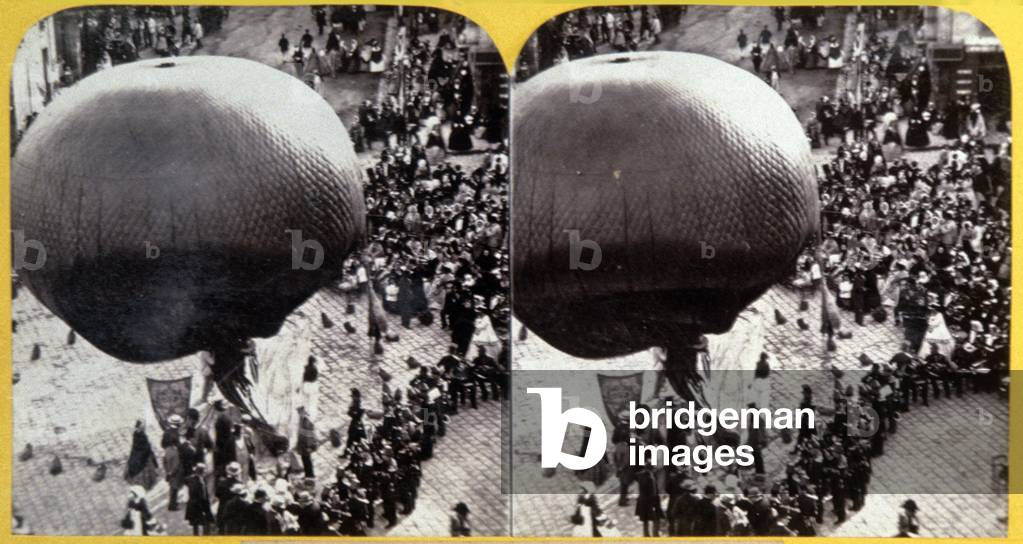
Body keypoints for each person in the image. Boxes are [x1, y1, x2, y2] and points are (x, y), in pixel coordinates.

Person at [124, 420, 159, 491]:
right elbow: (146, 448)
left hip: (136, 453)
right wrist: (148, 447)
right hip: (143, 456)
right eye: (143, 426)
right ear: (140, 427)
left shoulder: (135, 433)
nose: (144, 428)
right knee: (145, 467)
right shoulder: (142, 436)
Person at [185, 463, 214, 535]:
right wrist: (205, 510)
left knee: (195, 524)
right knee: (206, 523)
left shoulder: (190, 479)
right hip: (200, 506)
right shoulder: (201, 483)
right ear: (202, 473)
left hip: (192, 505)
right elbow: (203, 497)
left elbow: (186, 480)